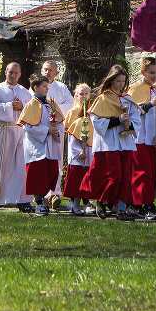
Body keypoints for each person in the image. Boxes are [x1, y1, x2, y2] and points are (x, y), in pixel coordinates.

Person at [81, 65, 141, 221]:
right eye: (118, 81)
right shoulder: (103, 99)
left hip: (125, 143)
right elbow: (97, 122)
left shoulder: (127, 99)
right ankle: (102, 201)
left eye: (123, 81)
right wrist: (118, 120)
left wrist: (129, 123)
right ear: (111, 80)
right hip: (109, 143)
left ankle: (121, 209)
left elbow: (137, 121)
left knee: (126, 177)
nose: (121, 84)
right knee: (114, 176)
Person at [0, 62, 34, 210]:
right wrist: (10, 106)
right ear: (5, 72)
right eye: (11, 72)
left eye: (16, 73)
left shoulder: (25, 92)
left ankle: (23, 200)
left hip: (20, 131)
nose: (13, 75)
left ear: (20, 74)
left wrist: (22, 107)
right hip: (3, 131)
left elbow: (32, 111)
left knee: (20, 166)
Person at [127, 56, 156, 221]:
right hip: (140, 139)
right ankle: (140, 204)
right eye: (151, 72)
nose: (154, 76)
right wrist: (150, 104)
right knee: (142, 173)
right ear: (143, 72)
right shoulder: (134, 90)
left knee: (153, 173)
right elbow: (132, 113)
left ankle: (148, 202)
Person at [19, 75, 64, 216]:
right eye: (44, 86)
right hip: (37, 147)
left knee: (51, 173)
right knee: (38, 175)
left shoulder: (50, 104)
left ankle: (44, 199)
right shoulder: (31, 105)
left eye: (47, 86)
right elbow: (28, 127)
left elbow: (59, 122)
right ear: (35, 87)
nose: (47, 89)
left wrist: (56, 131)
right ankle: (39, 203)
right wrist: (46, 130)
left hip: (51, 145)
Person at [40, 60, 74, 208]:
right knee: (41, 160)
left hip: (57, 127)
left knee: (57, 160)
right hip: (41, 128)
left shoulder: (61, 87)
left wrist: (55, 108)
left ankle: (55, 194)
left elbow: (70, 104)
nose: (47, 72)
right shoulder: (36, 86)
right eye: (45, 69)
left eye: (51, 70)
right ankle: (41, 193)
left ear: (57, 72)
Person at [63, 83, 94, 216]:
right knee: (76, 175)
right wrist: (79, 149)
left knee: (87, 175)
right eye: (81, 94)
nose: (84, 96)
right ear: (76, 95)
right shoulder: (72, 112)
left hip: (90, 147)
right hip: (76, 148)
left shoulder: (92, 111)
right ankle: (74, 203)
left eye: (86, 93)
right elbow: (70, 131)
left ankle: (87, 202)